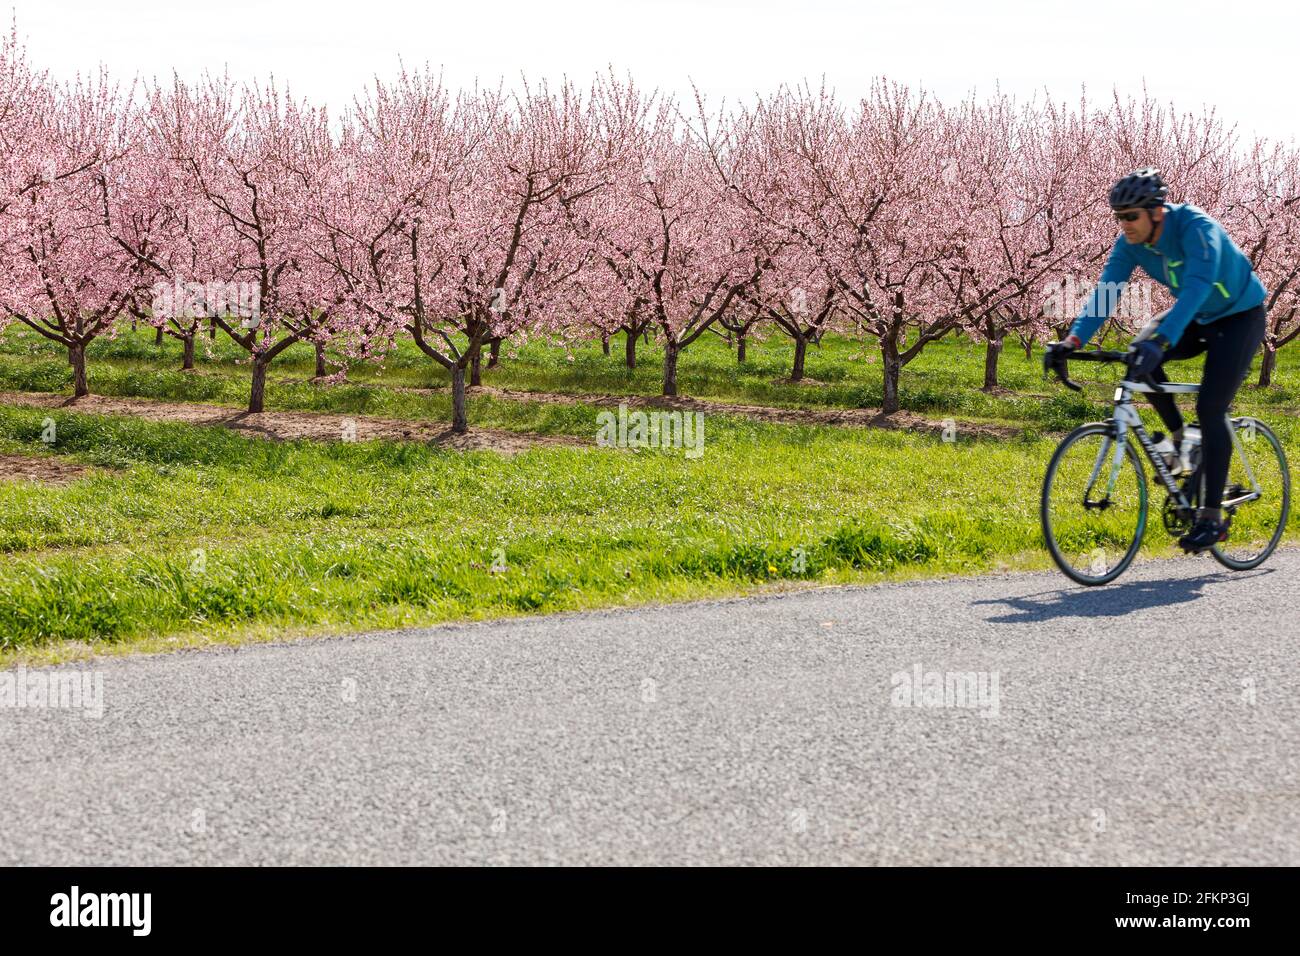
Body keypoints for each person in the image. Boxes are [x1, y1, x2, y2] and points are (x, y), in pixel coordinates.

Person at [1045, 168, 1268, 553]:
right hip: (1198, 317)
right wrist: (1073, 339)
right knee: (1138, 353)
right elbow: (1106, 292)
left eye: (1131, 216)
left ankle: (1212, 518)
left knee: (1211, 407)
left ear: (1157, 211)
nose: (1125, 224)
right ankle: (1183, 442)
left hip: (1239, 316)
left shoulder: (1197, 229)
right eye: (1119, 217)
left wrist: (1163, 339)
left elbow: (1198, 287)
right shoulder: (1131, 243)